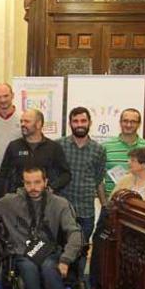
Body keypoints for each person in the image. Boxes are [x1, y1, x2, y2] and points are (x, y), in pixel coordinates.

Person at [58, 107, 106, 273]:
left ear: (90, 123)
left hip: (86, 210)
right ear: (70, 123)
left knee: (82, 250)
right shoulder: (59, 145)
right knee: (63, 249)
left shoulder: (99, 150)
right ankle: (62, 286)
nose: (79, 124)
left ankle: (78, 286)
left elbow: (99, 180)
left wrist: (105, 206)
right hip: (63, 209)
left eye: (83, 121)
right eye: (75, 121)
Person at [0, 109, 71, 194]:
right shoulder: (14, 146)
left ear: (38, 124)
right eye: (21, 121)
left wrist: (52, 188)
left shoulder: (53, 147)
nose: (22, 124)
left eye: (27, 121)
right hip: (19, 199)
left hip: (45, 199)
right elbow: (4, 174)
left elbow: (66, 174)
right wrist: (7, 195)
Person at [103, 108, 145, 195]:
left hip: (141, 203)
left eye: (133, 122)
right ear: (120, 122)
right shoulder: (106, 147)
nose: (128, 125)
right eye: (125, 121)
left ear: (139, 124)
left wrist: (140, 173)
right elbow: (98, 176)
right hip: (112, 202)